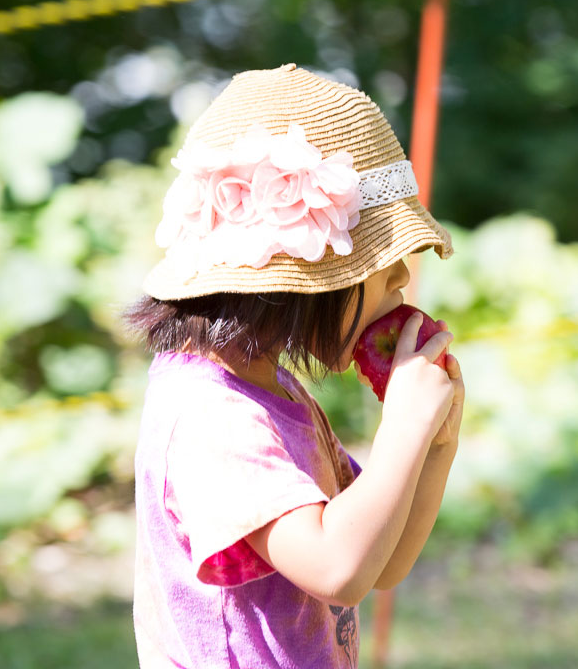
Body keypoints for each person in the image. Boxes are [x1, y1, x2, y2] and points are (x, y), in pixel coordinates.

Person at [126, 63, 464, 668]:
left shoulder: (273, 388)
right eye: (382, 266)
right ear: (300, 280)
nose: (400, 281)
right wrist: (404, 427)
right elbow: (338, 569)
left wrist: (435, 444)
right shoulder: (212, 416)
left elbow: (382, 561)